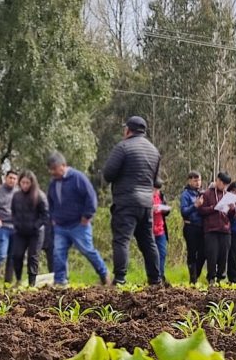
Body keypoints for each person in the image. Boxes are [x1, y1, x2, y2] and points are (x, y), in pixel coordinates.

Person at [102, 116, 161, 285]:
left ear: (128, 130)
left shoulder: (123, 147)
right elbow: (157, 181)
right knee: (148, 242)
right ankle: (155, 280)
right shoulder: (154, 151)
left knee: (122, 240)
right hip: (146, 204)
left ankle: (120, 279)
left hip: (126, 202)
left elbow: (108, 174)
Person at [47, 151, 110, 286]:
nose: (52, 172)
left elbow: (91, 197)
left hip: (78, 224)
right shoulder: (53, 183)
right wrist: (52, 217)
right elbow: (50, 201)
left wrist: (87, 216)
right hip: (60, 225)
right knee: (58, 253)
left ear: (63, 165)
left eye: (54, 169)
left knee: (87, 250)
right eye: (50, 169)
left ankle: (104, 275)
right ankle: (60, 281)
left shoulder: (77, 178)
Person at [197, 172, 236, 284]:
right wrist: (214, 208)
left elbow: (232, 215)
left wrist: (232, 209)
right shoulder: (207, 194)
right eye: (222, 183)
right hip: (211, 229)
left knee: (224, 255)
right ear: (217, 180)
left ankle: (221, 277)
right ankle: (211, 278)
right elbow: (201, 210)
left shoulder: (227, 195)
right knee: (212, 254)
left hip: (225, 229)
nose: (223, 186)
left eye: (226, 184)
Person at [11, 170, 49, 287]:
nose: (25, 185)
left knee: (33, 257)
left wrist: (35, 226)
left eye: (27, 183)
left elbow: (45, 215)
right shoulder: (16, 196)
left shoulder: (40, 196)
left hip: (35, 233)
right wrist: (16, 224)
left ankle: (31, 283)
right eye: (23, 182)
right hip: (20, 231)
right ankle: (18, 280)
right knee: (17, 255)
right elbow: (13, 212)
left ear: (32, 183)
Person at [0, 171, 18, 284]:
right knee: (1, 254)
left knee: (13, 256)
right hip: (2, 226)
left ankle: (8, 282)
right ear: (5, 178)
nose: (12, 180)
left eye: (14, 178)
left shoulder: (18, 193)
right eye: (10, 178)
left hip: (15, 228)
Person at [180, 171, 206, 284]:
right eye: (195, 180)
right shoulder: (185, 195)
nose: (197, 183)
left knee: (203, 253)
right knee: (192, 253)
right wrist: (195, 206)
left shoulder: (201, 194)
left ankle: (197, 275)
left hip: (202, 227)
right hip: (191, 227)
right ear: (189, 181)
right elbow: (184, 212)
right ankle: (193, 279)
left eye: (199, 180)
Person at [152, 179, 170, 283]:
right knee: (153, 254)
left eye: (158, 189)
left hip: (161, 229)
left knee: (162, 253)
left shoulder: (161, 196)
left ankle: (161, 275)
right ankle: (154, 276)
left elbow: (166, 212)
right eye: (155, 189)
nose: (156, 191)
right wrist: (151, 208)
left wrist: (165, 209)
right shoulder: (146, 197)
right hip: (150, 230)